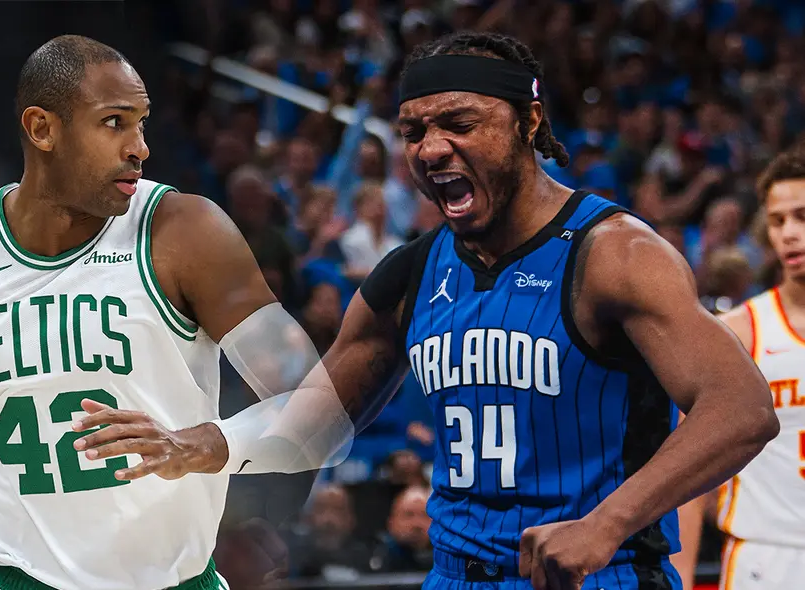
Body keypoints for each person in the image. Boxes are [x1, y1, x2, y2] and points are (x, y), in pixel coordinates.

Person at [72, 31, 780, 590]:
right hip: (452, 576)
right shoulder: (411, 273)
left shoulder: (615, 253)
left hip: (596, 574)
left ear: (530, 122)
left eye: (459, 123)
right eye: (414, 131)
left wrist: (607, 523)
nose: (432, 147)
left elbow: (741, 406)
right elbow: (310, 429)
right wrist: (201, 443)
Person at [0, 35, 329, 590]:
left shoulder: (184, 233)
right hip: (5, 576)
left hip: (170, 578)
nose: (140, 147)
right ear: (42, 129)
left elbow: (318, 407)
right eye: (114, 122)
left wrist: (204, 444)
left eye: (142, 122)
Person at [674, 148, 805, 590]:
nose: (789, 233)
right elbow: (687, 477)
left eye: (802, 216)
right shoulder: (739, 332)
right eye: (777, 220)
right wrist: (683, 579)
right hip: (765, 559)